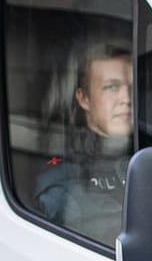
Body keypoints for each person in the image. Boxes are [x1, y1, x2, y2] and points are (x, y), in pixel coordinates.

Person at [36, 41, 135, 244]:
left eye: (133, 87)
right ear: (84, 99)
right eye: (112, 87)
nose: (126, 98)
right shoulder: (64, 180)